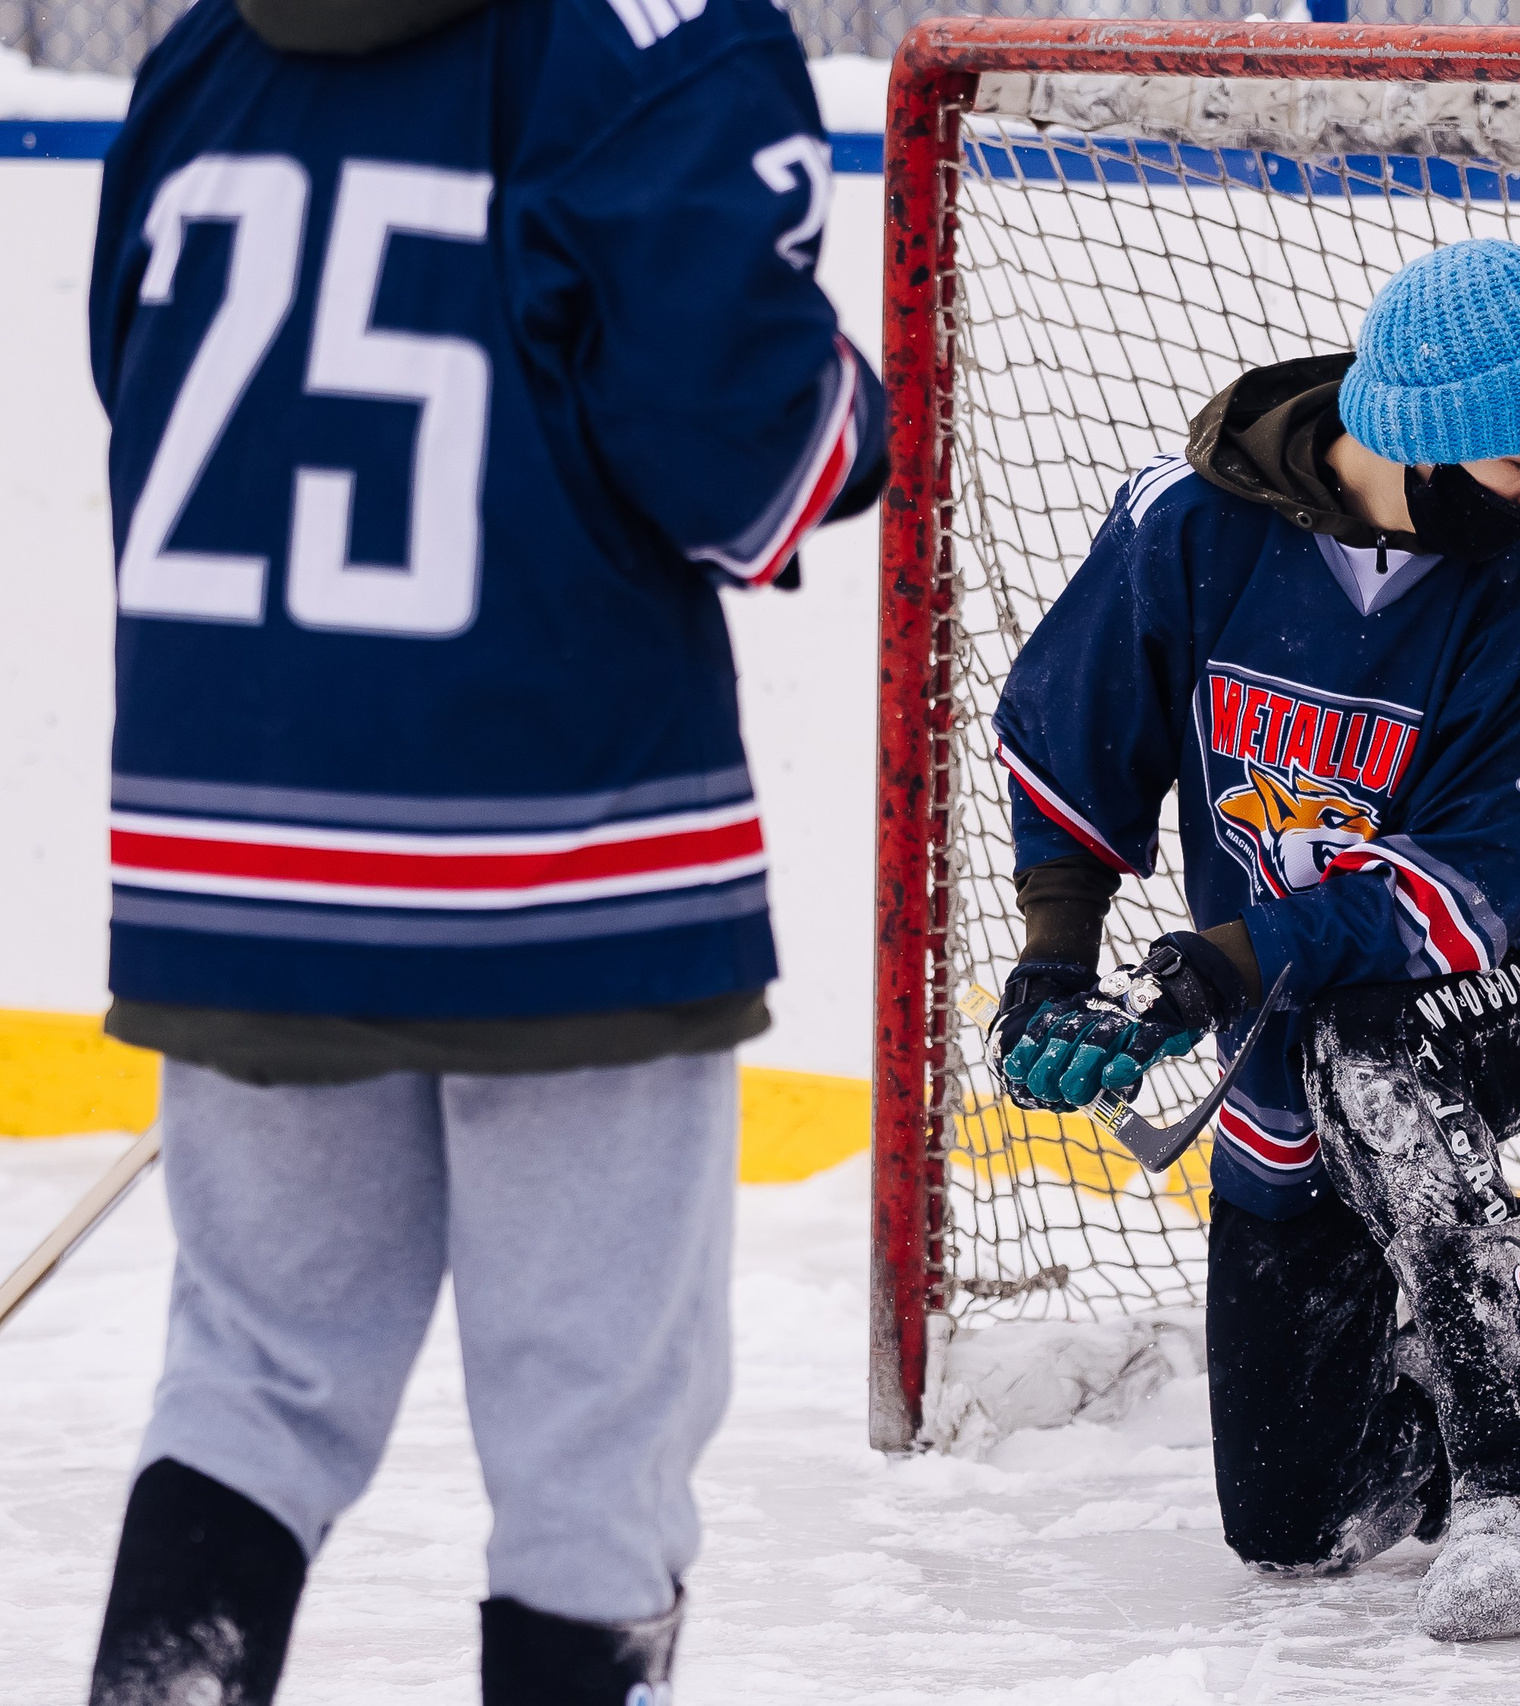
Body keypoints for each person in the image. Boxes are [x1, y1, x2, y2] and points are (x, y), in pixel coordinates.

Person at [83, 0, 885, 1695]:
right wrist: (856, 415)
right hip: (562, 864)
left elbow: (127, 377)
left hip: (230, 852)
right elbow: (746, 463)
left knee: (249, 1386)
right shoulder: (657, 42)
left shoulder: (204, 55)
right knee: (592, 1446)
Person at [990, 239, 1520, 1643]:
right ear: (1417, 441)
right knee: (1294, 1525)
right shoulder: (1185, 526)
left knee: (1371, 1049)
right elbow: (1078, 737)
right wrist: (1055, 966)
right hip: (1280, 1010)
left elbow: (1457, 887)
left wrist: (1217, 966)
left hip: (1511, 980)